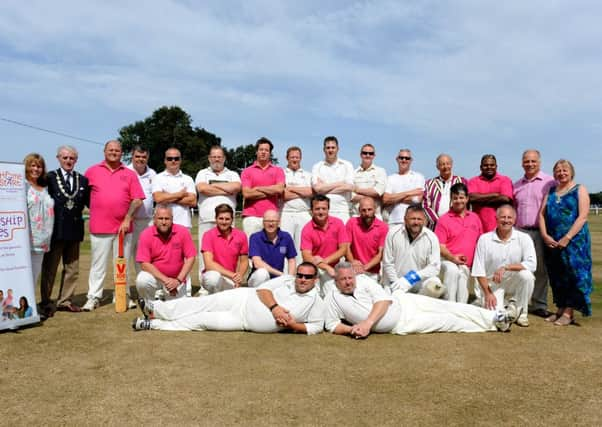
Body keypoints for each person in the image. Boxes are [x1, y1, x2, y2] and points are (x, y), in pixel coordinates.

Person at [324, 262, 520, 338]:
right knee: (449, 322)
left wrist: (367, 323)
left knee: (452, 307)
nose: (348, 282)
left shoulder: (364, 280)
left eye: (350, 277)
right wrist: (351, 329)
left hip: (405, 302)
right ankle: (496, 324)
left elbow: (383, 301)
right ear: (336, 280)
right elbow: (332, 324)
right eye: (343, 279)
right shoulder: (333, 296)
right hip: (402, 324)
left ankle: (497, 315)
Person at [132, 262, 325, 334]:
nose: (301, 279)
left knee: (202, 321)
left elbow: (315, 326)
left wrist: (292, 325)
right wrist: (275, 308)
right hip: (243, 298)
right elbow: (262, 290)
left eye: (307, 277)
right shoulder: (288, 279)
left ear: (315, 280)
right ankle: (156, 309)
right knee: (200, 303)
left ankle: (154, 324)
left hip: (243, 321)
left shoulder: (316, 301)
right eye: (300, 274)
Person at [83, 140, 145, 311]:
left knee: (122, 265)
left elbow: (137, 199)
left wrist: (127, 218)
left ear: (121, 153)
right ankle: (94, 297)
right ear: (104, 151)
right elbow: (85, 197)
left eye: (117, 150)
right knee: (98, 265)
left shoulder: (129, 173)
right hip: (99, 227)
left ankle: (122, 294)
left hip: (123, 229)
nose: (114, 153)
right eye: (110, 150)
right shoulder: (92, 171)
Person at [539, 159, 592, 326]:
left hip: (574, 242)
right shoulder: (551, 191)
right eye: (558, 170)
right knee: (557, 275)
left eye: (564, 170)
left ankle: (569, 313)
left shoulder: (579, 189)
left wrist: (567, 237)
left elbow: (582, 216)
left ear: (571, 172)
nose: (561, 173)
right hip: (553, 241)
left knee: (572, 275)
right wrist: (545, 235)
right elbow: (542, 214)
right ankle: (560, 309)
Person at [40, 146, 89, 316]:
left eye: (72, 158)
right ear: (58, 158)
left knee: (72, 269)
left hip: (75, 230)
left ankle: (65, 301)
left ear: (76, 160)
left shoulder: (82, 180)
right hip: (55, 230)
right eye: (65, 157)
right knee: (50, 268)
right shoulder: (49, 178)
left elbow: (91, 203)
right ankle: (46, 301)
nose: (68, 161)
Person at [472, 205, 536, 327]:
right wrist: (488, 293)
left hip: (513, 282)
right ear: (496, 219)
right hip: (492, 285)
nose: (506, 220)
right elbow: (478, 270)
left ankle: (521, 313)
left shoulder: (524, 238)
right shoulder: (484, 239)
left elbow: (532, 264)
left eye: (509, 217)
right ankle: (506, 309)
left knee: (527, 275)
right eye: (503, 217)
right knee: (496, 320)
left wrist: (506, 267)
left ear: (514, 219)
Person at [513, 149, 555, 317]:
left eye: (533, 161)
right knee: (519, 268)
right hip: (520, 231)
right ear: (522, 163)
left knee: (540, 269)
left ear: (539, 162)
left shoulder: (549, 182)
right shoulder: (517, 185)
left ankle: (539, 304)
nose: (529, 164)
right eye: (526, 161)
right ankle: (517, 301)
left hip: (540, 231)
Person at [195, 145, 241, 283]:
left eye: (219, 157)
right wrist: (226, 189)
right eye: (214, 157)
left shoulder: (232, 174)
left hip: (227, 220)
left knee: (227, 254)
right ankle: (205, 285)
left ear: (224, 158)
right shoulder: (202, 173)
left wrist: (212, 187)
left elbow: (237, 187)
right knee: (205, 254)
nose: (216, 159)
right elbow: (202, 188)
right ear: (209, 158)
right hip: (207, 219)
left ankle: (228, 282)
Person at [135, 204, 196, 307]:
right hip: (156, 278)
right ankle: (150, 307)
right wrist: (166, 281)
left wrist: (178, 280)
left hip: (176, 279)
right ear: (154, 219)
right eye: (160, 218)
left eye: (167, 219)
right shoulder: (146, 234)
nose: (163, 222)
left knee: (177, 311)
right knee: (142, 280)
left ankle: (168, 300)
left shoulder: (182, 232)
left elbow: (191, 257)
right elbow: (144, 264)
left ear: (172, 219)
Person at [382, 204, 444, 298]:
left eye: (419, 219)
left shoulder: (431, 237)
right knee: (396, 300)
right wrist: (397, 283)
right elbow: (388, 263)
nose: (416, 222)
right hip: (395, 282)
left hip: (418, 282)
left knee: (435, 285)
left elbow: (434, 268)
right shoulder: (393, 233)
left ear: (424, 221)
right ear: (405, 219)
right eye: (413, 219)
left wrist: (410, 279)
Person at [434, 183, 483, 303]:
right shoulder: (444, 219)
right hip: (447, 261)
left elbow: (480, 242)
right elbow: (440, 246)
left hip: (467, 264)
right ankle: (449, 305)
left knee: (462, 273)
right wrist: (453, 258)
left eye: (461, 197)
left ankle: (461, 307)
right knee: (453, 270)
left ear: (467, 199)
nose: (458, 201)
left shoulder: (475, 218)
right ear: (451, 200)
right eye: (455, 198)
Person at [300, 195, 350, 297]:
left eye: (324, 208)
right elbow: (306, 257)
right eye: (317, 209)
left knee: (332, 293)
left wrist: (325, 261)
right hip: (315, 268)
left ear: (328, 209)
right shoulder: (307, 229)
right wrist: (326, 266)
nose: (321, 212)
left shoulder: (338, 223)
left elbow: (343, 249)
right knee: (314, 294)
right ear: (311, 211)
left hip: (333, 266)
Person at [241, 137, 285, 236]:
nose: (263, 152)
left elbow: (279, 189)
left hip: (271, 217)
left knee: (271, 249)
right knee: (252, 249)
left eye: (266, 150)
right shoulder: (247, 171)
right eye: (261, 150)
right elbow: (247, 194)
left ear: (270, 153)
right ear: (256, 152)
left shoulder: (278, 170)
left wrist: (258, 189)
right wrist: (271, 191)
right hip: (251, 216)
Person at [201, 204, 249, 294]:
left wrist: (239, 276)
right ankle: (213, 298)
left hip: (231, 278)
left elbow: (244, 261)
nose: (224, 222)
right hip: (214, 275)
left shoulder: (241, 235)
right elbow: (209, 264)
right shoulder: (208, 235)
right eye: (221, 218)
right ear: (215, 219)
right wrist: (232, 275)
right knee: (213, 278)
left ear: (232, 220)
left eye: (227, 219)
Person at [23, 153, 54, 290]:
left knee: (34, 275)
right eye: (32, 165)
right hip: (25, 239)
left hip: (42, 240)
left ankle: (30, 307)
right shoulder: (22, 186)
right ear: (26, 167)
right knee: (22, 274)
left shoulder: (45, 188)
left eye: (39, 166)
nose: (35, 169)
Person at [281, 146, 313, 267]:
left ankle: (301, 274)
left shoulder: (308, 175)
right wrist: (301, 193)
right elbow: (281, 194)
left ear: (301, 158)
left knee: (302, 246)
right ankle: (284, 275)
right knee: (284, 245)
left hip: (303, 213)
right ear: (287, 158)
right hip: (286, 213)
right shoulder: (281, 173)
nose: (295, 159)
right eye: (292, 157)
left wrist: (291, 189)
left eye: (297, 157)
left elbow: (310, 192)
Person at [127, 145, 156, 276]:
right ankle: (123, 293)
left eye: (143, 157)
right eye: (137, 156)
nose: (140, 159)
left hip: (147, 221)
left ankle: (144, 291)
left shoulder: (153, 174)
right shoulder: (125, 171)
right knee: (124, 257)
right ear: (132, 156)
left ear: (147, 157)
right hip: (129, 221)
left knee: (145, 258)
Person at [247, 210, 297, 287]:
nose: (270, 224)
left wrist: (290, 277)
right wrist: (281, 274)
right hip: (258, 278)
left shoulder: (286, 237)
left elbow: (291, 260)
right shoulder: (255, 237)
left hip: (278, 279)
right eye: (267, 221)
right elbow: (257, 264)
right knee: (262, 273)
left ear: (279, 222)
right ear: (263, 223)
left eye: (273, 221)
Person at [311, 136, 354, 222]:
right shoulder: (317, 166)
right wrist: (341, 183)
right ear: (324, 149)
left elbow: (349, 187)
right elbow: (317, 189)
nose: (330, 150)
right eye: (328, 148)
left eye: (333, 147)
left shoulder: (347, 165)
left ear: (338, 149)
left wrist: (324, 188)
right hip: (323, 211)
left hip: (343, 211)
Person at [345, 197, 388, 281]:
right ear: (359, 210)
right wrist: (353, 262)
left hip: (372, 272)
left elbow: (380, 254)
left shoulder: (383, 227)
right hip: (352, 269)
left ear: (375, 209)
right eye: (363, 210)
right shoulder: (352, 223)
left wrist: (364, 268)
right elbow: (346, 247)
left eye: (369, 209)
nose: (367, 213)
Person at [152, 147, 196, 229]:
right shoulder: (157, 178)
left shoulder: (188, 179)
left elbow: (193, 201)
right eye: (169, 158)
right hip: (162, 224)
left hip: (183, 223)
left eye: (176, 158)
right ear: (165, 161)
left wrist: (166, 196)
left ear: (180, 160)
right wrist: (180, 194)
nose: (173, 161)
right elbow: (158, 198)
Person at [468, 154, 513, 232]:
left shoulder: (504, 180)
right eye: (486, 165)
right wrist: (495, 195)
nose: (489, 167)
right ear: (480, 167)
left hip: (500, 228)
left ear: (496, 166)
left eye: (492, 165)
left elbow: (505, 199)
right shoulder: (473, 181)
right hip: (478, 227)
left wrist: (480, 201)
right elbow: (471, 198)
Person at [423, 154, 467, 229]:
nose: (445, 167)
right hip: (435, 226)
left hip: (457, 224)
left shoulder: (462, 181)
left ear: (451, 165)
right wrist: (439, 222)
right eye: (442, 164)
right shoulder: (429, 183)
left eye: (448, 163)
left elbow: (467, 203)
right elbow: (425, 205)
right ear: (437, 167)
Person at [382, 149, 425, 225]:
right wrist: (410, 193)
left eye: (407, 158)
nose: (404, 160)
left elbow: (417, 199)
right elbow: (385, 199)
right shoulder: (390, 178)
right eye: (401, 158)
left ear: (411, 160)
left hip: (413, 222)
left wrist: (394, 198)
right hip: (393, 221)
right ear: (397, 159)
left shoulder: (418, 177)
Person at [350, 143, 387, 219]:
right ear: (360, 155)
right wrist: (372, 196)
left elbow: (378, 192)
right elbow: (351, 196)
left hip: (375, 216)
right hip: (357, 216)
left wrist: (357, 190)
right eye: (365, 153)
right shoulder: (353, 173)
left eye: (371, 153)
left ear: (374, 156)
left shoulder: (380, 171)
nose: (368, 155)